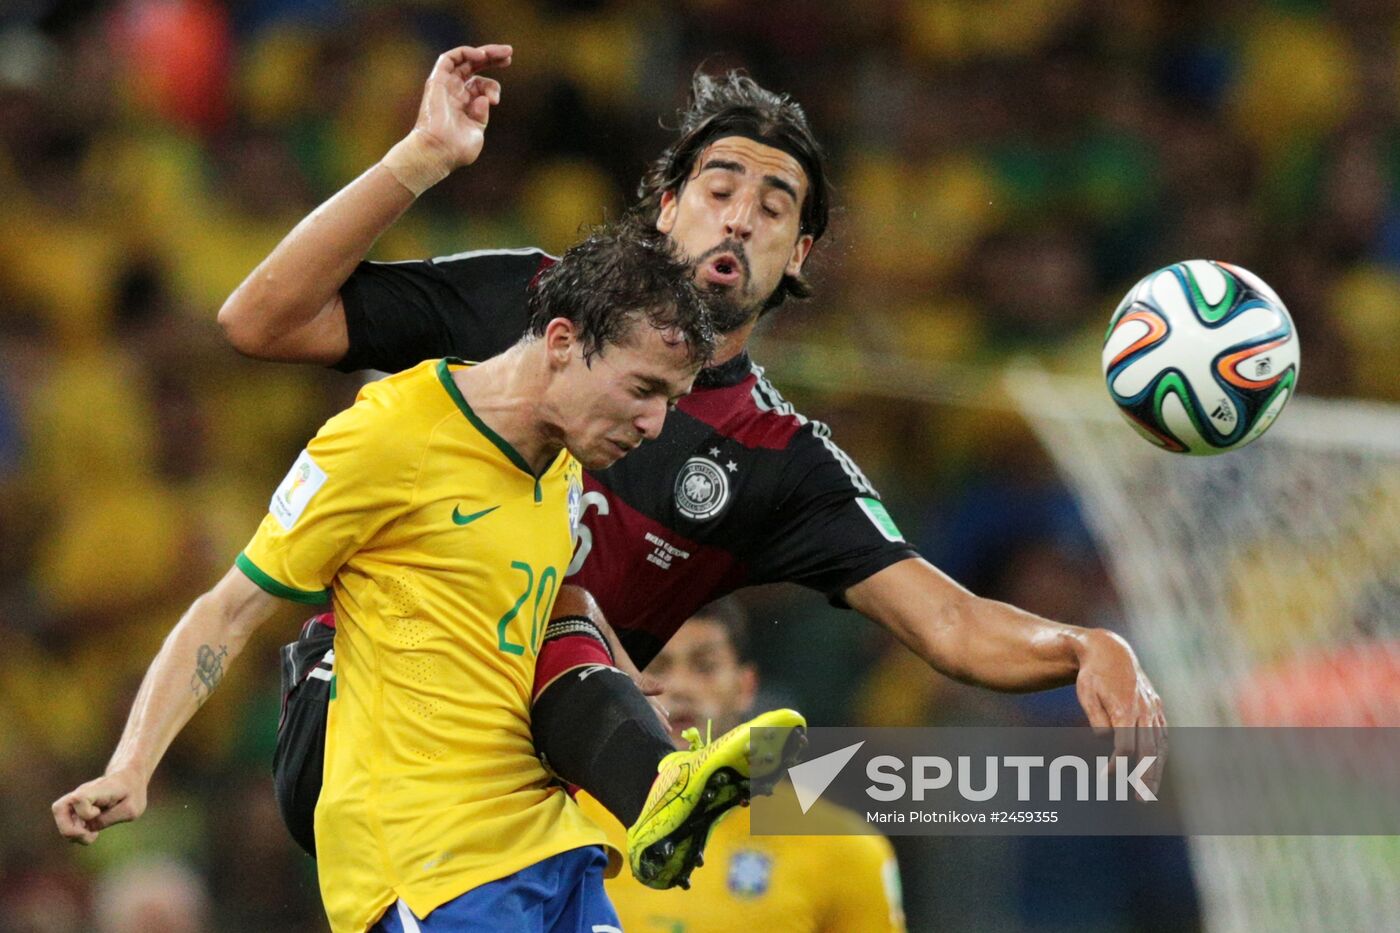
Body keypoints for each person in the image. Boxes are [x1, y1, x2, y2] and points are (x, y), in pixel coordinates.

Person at [218, 44, 1166, 889]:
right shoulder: (527, 296)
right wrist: (419, 160)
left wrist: (1087, 644)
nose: (739, 219)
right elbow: (262, 321)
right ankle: (664, 782)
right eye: (719, 188)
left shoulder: (778, 460)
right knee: (565, 602)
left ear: (797, 257)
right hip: (364, 720)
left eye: (773, 206)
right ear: (666, 206)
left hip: (528, 803)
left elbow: (950, 624)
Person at [52, 222, 807, 933]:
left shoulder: (566, 461)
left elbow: (532, 605)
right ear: (562, 340)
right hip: (429, 860)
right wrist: (132, 763)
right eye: (643, 390)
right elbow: (227, 610)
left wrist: (621, 682)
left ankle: (662, 781)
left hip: (551, 843)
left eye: (670, 402)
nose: (653, 425)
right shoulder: (388, 437)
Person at [580, 597, 907, 932]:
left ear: (745, 686)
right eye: (657, 667)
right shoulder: (564, 819)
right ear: (621, 681)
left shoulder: (842, 847)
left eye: (704, 666)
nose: (680, 687)